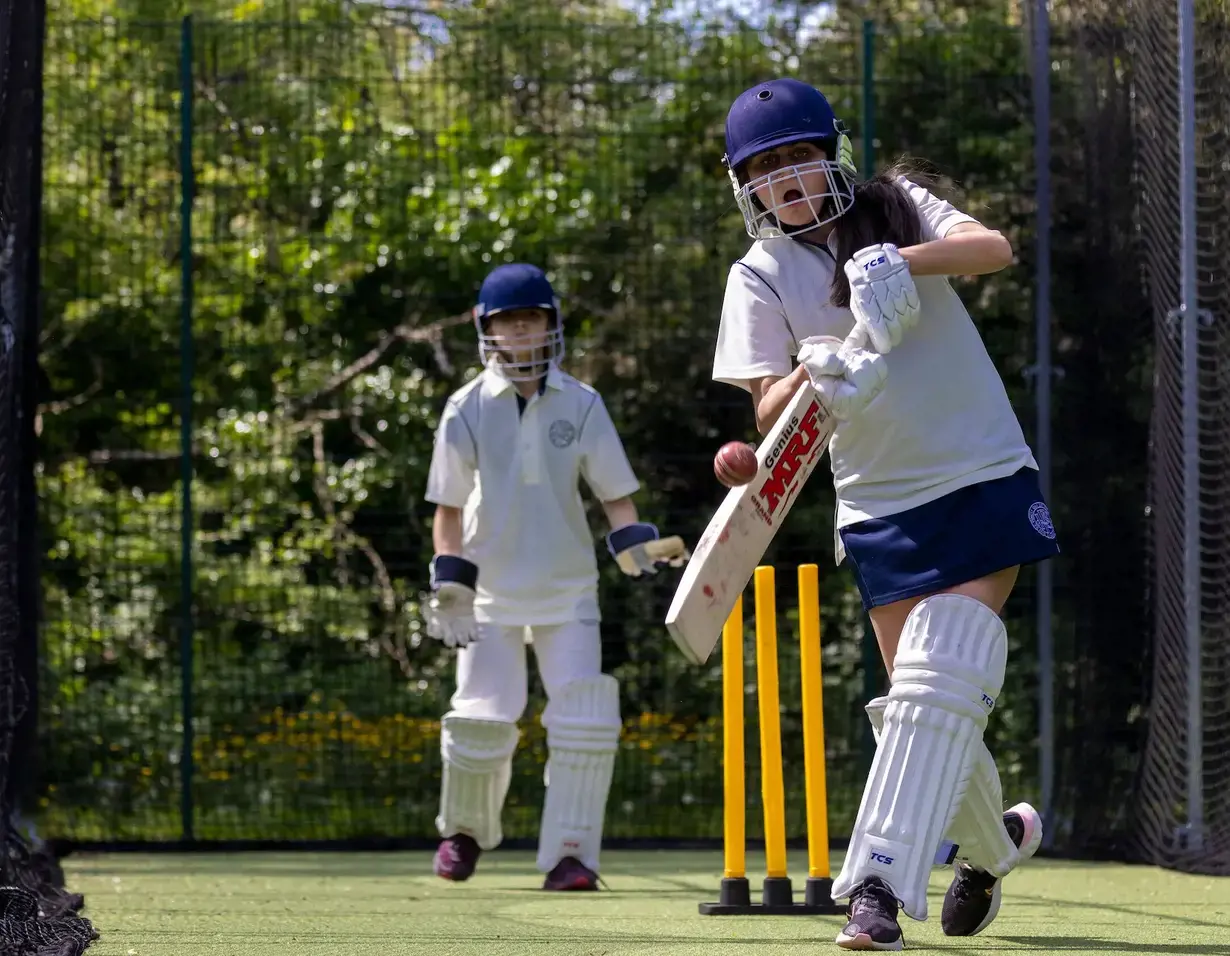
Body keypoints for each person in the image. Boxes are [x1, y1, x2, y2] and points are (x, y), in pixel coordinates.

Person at [711, 78, 1060, 950]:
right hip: (879, 502)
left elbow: (993, 248)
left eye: (799, 156)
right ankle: (996, 842)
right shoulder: (757, 273)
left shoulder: (896, 204)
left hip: (978, 466)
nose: (788, 179)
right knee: (920, 700)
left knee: (943, 674)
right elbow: (765, 410)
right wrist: (812, 367)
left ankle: (872, 890)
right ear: (747, 187)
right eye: (767, 169)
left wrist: (897, 259)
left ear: (832, 154)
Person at [421, 262, 689, 892]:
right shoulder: (465, 408)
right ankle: (462, 835)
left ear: (551, 326)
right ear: (489, 331)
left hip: (569, 589)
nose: (522, 333)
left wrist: (635, 549)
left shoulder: (582, 402)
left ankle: (571, 856)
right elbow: (448, 510)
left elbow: (616, 497)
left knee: (584, 719)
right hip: (488, 593)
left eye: (532, 319)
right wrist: (450, 584)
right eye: (509, 322)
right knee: (482, 719)